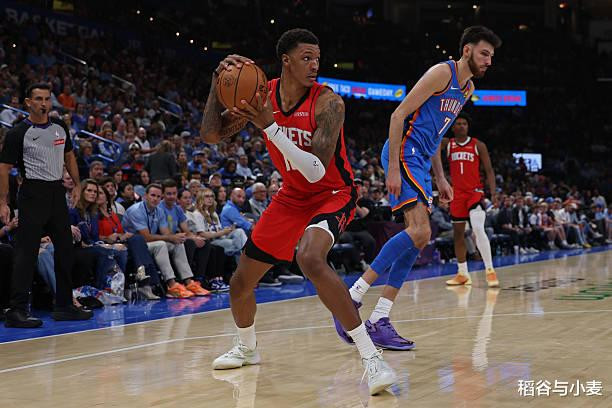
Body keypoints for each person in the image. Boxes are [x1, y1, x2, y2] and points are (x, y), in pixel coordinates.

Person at [201, 29, 396, 395]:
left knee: (309, 257)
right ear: (286, 60)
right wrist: (217, 84)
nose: (314, 64)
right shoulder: (262, 95)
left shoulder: (329, 103)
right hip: (292, 195)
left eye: (317, 58)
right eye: (306, 58)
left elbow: (316, 171)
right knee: (240, 282)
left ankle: (372, 357)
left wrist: (270, 127)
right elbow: (212, 134)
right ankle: (247, 347)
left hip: (333, 191)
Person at [337, 26, 501, 350]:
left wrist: (441, 177)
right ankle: (352, 297)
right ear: (467, 50)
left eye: (492, 56)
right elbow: (398, 115)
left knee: (419, 239)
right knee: (420, 231)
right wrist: (393, 167)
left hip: (422, 160)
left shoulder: (467, 88)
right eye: (484, 53)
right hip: (404, 152)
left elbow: (437, 135)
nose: (488, 61)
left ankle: (379, 318)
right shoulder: (442, 73)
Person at [0, 82, 93, 327]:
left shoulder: (60, 127)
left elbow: (69, 156)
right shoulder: (18, 132)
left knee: (65, 249)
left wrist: (77, 184)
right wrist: (3, 202)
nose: (44, 104)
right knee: (26, 253)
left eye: (47, 99)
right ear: (28, 103)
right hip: (32, 193)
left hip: (56, 192)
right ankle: (17, 310)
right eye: (39, 99)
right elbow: (4, 168)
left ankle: (64, 306)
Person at [441, 113, 499, 287]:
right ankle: (462, 273)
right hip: (457, 194)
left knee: (478, 228)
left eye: (464, 123)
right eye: (458, 123)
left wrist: (493, 193)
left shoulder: (478, 145)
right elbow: (432, 141)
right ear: (452, 127)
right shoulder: (447, 144)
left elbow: (489, 170)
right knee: (458, 234)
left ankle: (490, 270)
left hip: (475, 192)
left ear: (468, 127)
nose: (461, 126)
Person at [121, 183, 205, 298]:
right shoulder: (136, 211)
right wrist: (170, 237)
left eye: (158, 196)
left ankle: (189, 282)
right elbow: (146, 237)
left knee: (177, 244)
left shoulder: (159, 211)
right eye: (152, 195)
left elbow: (166, 233)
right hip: (133, 246)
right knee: (161, 244)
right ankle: (171, 285)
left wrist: (175, 237)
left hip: (149, 243)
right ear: (145, 196)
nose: (155, 199)